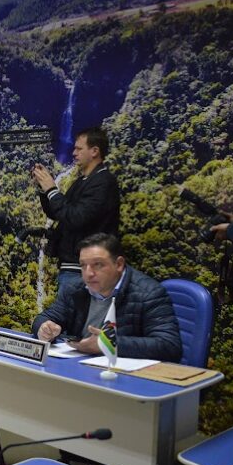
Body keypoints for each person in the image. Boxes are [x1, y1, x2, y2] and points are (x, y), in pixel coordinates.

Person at [32, 233, 182, 362]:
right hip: (78, 368)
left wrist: (107, 344)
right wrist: (44, 328)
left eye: (97, 265)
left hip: (124, 379)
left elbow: (169, 347)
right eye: (83, 265)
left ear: (119, 264)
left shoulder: (148, 293)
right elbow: (45, 318)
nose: (88, 273)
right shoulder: (75, 288)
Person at [32, 127, 120, 290]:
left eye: (79, 148)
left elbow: (75, 218)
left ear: (94, 151)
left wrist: (52, 189)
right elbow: (58, 213)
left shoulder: (103, 183)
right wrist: (43, 189)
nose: (74, 153)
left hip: (86, 271)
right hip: (72, 267)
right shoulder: (82, 181)